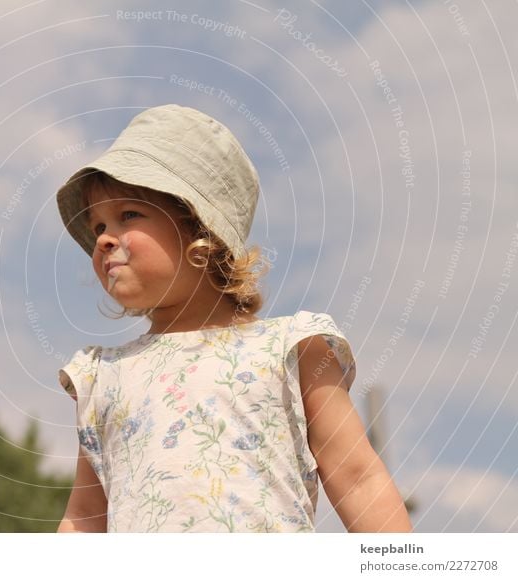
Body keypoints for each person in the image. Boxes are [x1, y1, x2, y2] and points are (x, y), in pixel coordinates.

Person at [54, 104, 411, 533]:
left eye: (129, 215)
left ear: (201, 231)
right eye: (97, 228)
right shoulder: (103, 375)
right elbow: (85, 516)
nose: (105, 239)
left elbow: (357, 478)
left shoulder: (291, 349)